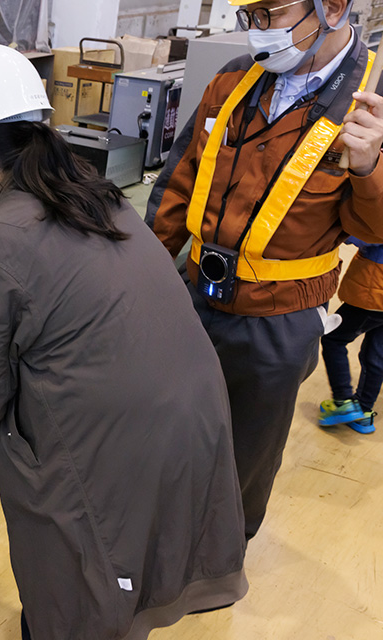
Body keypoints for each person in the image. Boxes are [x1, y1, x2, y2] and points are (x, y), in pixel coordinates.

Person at [0, 44, 248, 640]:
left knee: (68, 550)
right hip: (191, 418)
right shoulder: (96, 197)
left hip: (115, 441)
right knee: (125, 553)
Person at [146, 0, 383, 540]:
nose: (254, 33)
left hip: (278, 320)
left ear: (333, 7)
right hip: (193, 300)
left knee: (245, 456)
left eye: (267, 14)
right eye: (245, 17)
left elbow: (376, 230)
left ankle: (221, 561)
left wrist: (370, 168)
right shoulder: (233, 81)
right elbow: (176, 186)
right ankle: (167, 535)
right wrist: (144, 282)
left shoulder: (372, 102)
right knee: (174, 428)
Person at [318, 237, 383, 433]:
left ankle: (343, 400)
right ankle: (363, 411)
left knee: (333, 338)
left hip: (374, 292)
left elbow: (365, 233)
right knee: (376, 354)